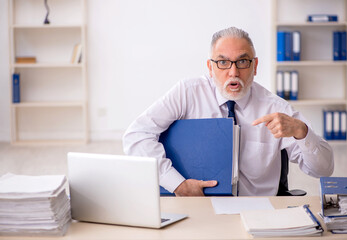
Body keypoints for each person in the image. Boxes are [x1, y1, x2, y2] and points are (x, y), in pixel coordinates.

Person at [123, 27, 334, 196]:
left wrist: (301, 131)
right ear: (210, 66)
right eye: (223, 62)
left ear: (255, 65)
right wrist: (177, 184)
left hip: (254, 209)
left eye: (242, 62)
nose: (233, 72)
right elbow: (135, 136)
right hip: (196, 206)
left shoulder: (275, 107)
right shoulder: (187, 93)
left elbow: (323, 170)